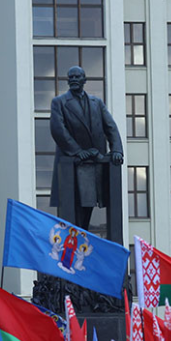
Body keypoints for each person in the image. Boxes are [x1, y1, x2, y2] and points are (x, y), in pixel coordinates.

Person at [49, 65, 123, 230]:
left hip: (94, 162)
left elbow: (110, 127)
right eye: (71, 77)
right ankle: (75, 239)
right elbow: (58, 130)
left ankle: (82, 236)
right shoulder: (59, 102)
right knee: (72, 208)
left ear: (84, 80)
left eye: (77, 77)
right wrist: (77, 151)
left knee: (88, 205)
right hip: (73, 162)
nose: (74, 80)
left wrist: (117, 149)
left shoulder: (97, 103)